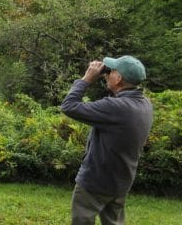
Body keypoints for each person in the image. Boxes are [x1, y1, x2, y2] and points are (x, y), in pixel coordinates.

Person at [60, 55, 153, 225]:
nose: (106, 74)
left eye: (110, 72)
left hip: (96, 181)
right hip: (121, 181)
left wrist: (87, 79)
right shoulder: (145, 104)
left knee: (82, 220)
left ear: (118, 78)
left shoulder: (115, 107)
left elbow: (68, 106)